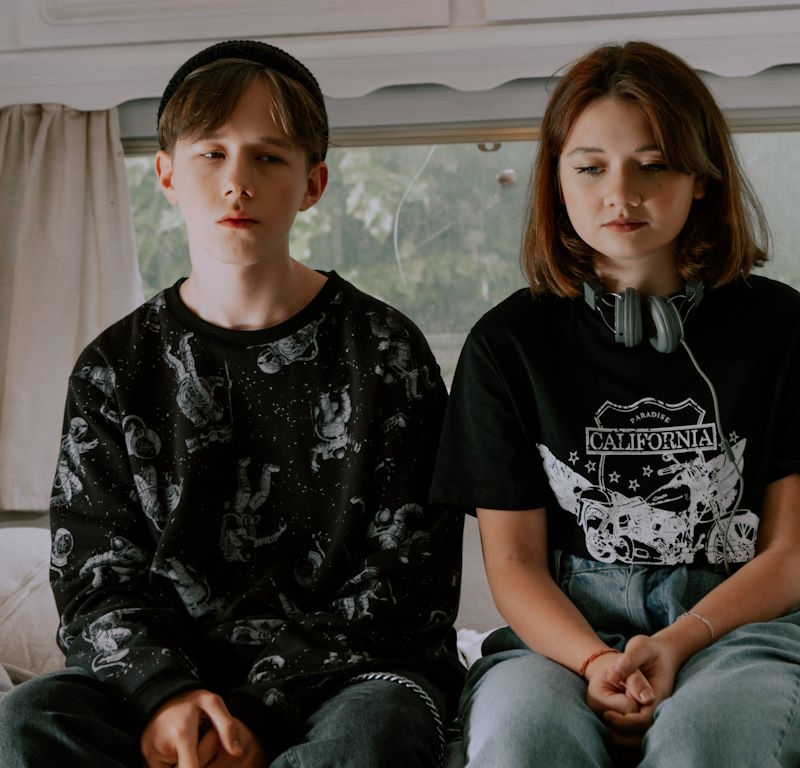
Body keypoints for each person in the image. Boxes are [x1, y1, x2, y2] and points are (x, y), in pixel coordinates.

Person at [0, 39, 464, 768]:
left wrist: (257, 709)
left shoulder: (387, 351)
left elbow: (410, 578)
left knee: (370, 733)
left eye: (268, 157)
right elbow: (94, 573)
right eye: (210, 153)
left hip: (345, 681)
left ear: (313, 184)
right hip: (166, 680)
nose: (236, 182)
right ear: (166, 175)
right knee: (25, 719)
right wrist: (165, 697)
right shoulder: (113, 368)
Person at [430, 40, 800, 767]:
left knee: (709, 738)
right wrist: (596, 662)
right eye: (591, 166)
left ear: (702, 178)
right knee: (519, 739)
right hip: (564, 633)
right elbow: (515, 567)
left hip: (738, 626)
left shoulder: (784, 329)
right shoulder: (507, 345)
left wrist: (677, 639)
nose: (620, 194)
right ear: (557, 182)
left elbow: (789, 554)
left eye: (653, 164)